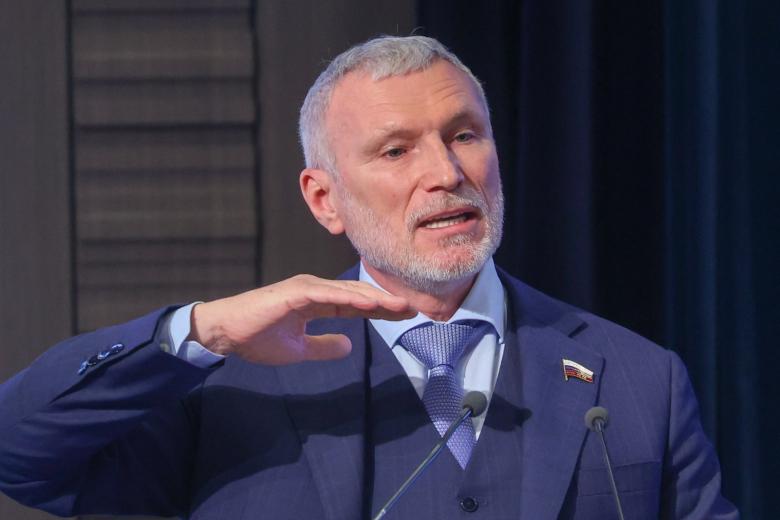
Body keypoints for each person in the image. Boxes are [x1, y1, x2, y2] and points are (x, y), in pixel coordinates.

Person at [0, 36, 738, 520]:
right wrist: (203, 331)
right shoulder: (222, 384)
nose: (445, 173)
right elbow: (18, 451)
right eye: (395, 151)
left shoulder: (640, 380)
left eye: (464, 135)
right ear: (325, 200)